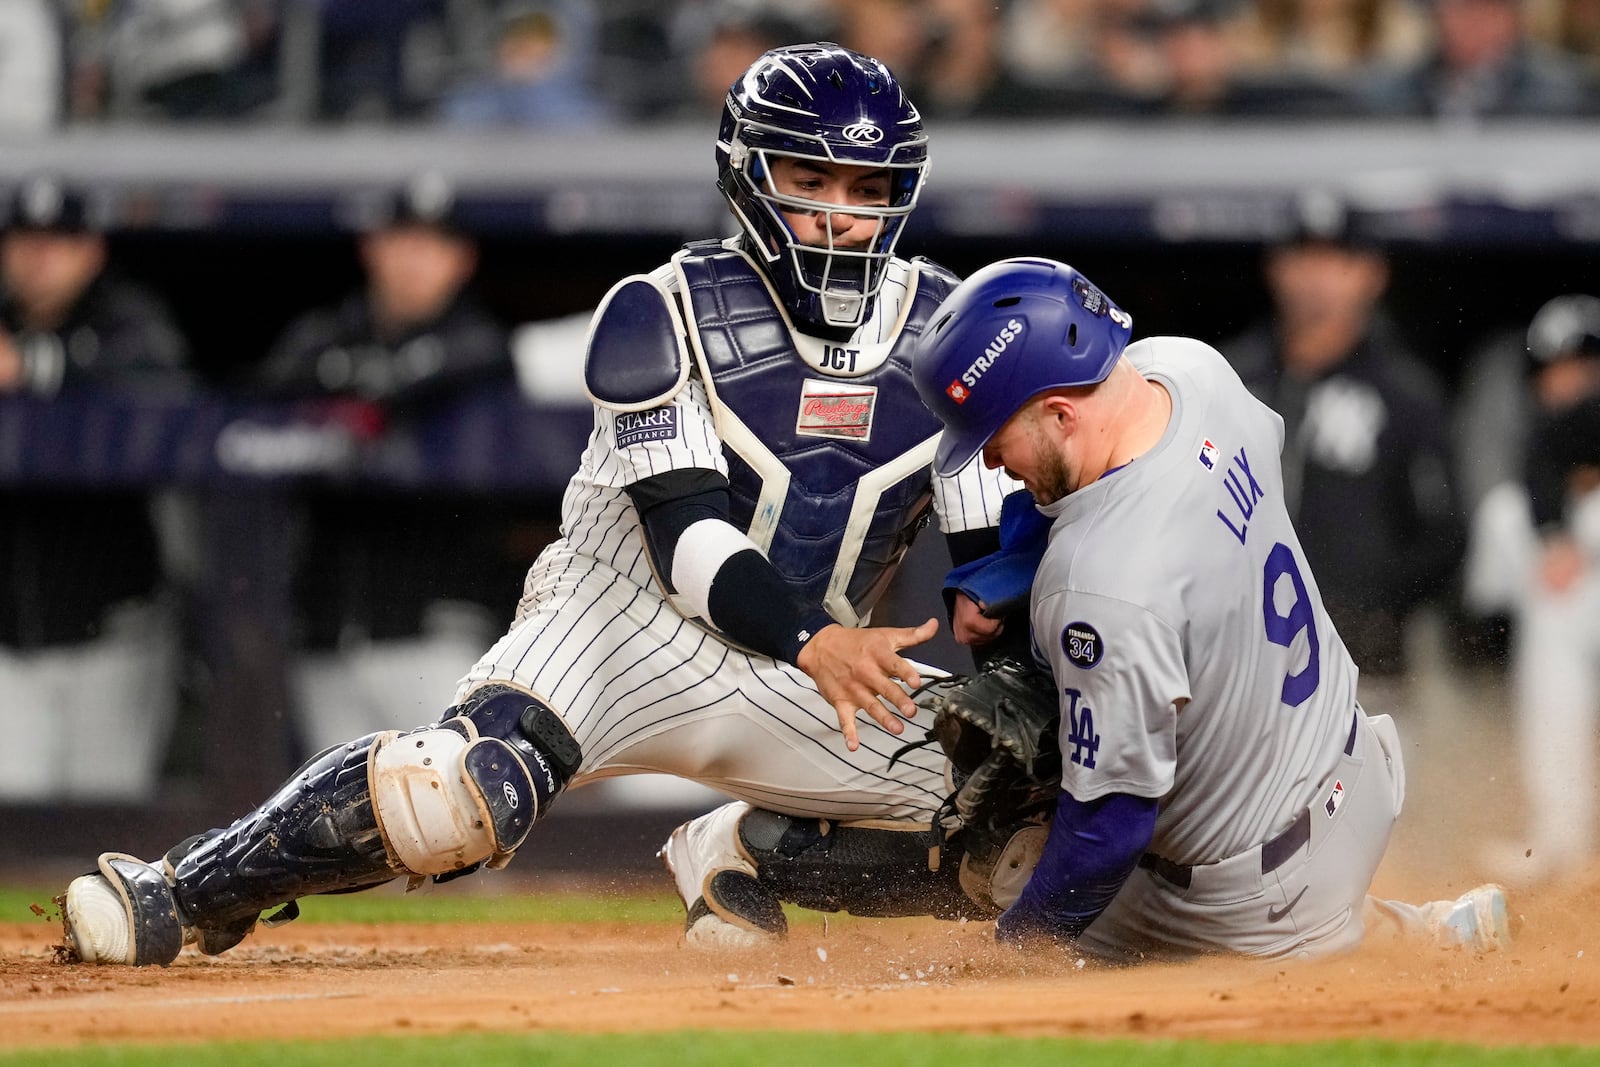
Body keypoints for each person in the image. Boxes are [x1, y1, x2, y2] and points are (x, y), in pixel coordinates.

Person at [59, 43, 1026, 966]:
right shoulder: (660, 307)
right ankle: (183, 885)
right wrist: (814, 638)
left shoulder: (951, 332)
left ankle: (746, 846)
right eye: (807, 181)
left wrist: (1013, 646)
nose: (835, 214)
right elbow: (689, 535)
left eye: (865, 189)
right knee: (454, 795)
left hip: (816, 673)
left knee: (1018, 822)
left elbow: (988, 551)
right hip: (619, 625)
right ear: (748, 175)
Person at [902, 255, 1507, 959]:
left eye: (994, 440)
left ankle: (1324, 945)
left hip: (1259, 894)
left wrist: (1016, 952)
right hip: (1350, 763)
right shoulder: (1191, 373)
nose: (995, 464)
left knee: (1020, 886)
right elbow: (1114, 498)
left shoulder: (1097, 585)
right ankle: (1422, 935)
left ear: (1061, 412)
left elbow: (1109, 828)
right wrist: (1007, 570)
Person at [250, 172, 523, 757]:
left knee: (449, 819)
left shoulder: (481, 345)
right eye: (401, 240)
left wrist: (364, 387)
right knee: (336, 832)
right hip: (328, 633)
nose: (413, 261)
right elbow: (268, 391)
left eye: (432, 245)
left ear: (461, 260)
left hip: (437, 638)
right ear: (371, 247)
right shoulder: (323, 334)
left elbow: (464, 364)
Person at [1221, 195, 1463, 718]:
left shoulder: (1406, 394)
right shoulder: (1228, 380)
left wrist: (1377, 605)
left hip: (1366, 671)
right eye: (1303, 256)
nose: (1316, 276)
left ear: (1372, 274)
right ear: (1275, 268)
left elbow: (1446, 533)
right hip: (1239, 668)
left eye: (1336, 258)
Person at [0, 175, 193, 801]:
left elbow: (164, 394)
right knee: (13, 828)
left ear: (92, 251)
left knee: (106, 824)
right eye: (27, 240)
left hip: (114, 637)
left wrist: (33, 368)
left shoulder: (128, 323)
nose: (41, 257)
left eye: (60, 241)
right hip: (9, 645)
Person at [1472, 295, 1600, 884]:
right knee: (1549, 670)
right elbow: (1485, 607)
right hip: (1561, 623)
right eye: (1553, 372)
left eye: (1582, 366)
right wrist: (1554, 531)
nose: (1568, 384)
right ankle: (1561, 840)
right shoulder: (1518, 498)